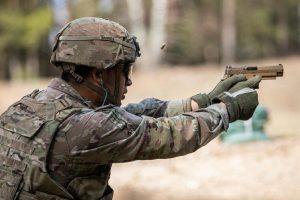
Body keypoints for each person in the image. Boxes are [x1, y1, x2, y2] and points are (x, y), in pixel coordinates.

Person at [0, 17, 261, 200]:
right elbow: (170, 135)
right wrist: (229, 108)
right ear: (98, 74)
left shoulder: (31, 106)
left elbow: (128, 115)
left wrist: (199, 102)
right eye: (124, 70)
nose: (129, 80)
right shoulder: (87, 128)